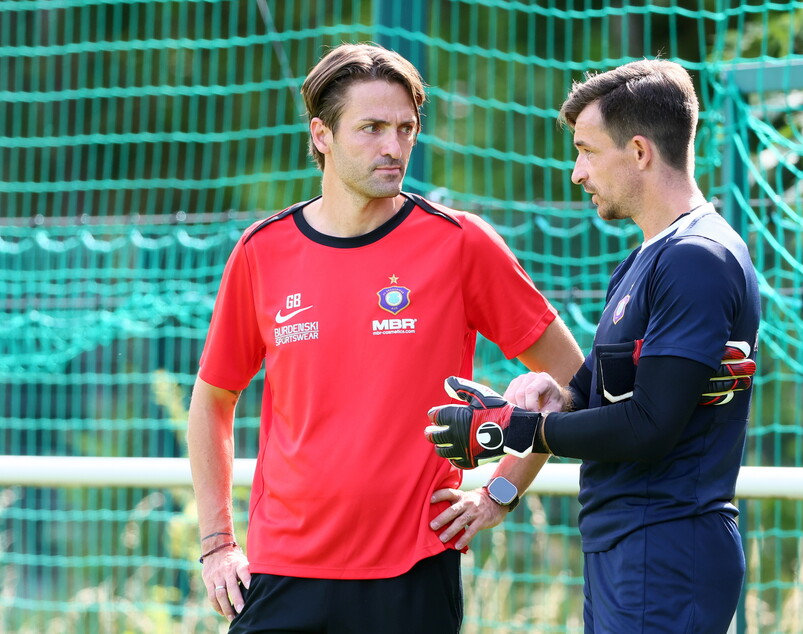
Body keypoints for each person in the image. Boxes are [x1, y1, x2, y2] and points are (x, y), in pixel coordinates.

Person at [185, 42, 585, 633]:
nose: (393, 148)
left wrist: (500, 492)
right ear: (321, 135)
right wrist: (218, 541)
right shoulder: (260, 252)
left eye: (405, 128)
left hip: (414, 575)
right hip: (281, 576)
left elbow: (572, 383)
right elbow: (213, 400)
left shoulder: (461, 244)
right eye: (371, 128)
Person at [425, 58, 761, 634]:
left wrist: (509, 430)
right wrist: (533, 421)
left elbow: (652, 425)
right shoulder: (643, 259)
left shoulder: (696, 259)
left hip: (669, 549)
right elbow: (584, 403)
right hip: (628, 549)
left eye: (587, 150)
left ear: (638, 151)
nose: (576, 172)